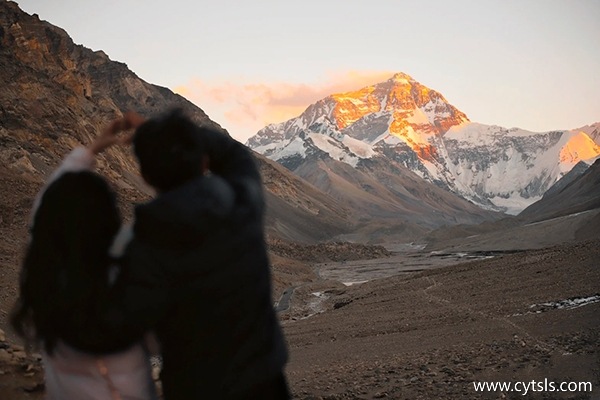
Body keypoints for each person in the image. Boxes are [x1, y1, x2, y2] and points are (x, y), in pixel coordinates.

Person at [107, 109, 290, 399]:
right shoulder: (242, 204)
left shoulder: (143, 246)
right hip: (264, 380)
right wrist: (165, 133)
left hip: (194, 387)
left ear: (145, 175)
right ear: (204, 161)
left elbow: (129, 322)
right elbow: (233, 153)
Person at [10, 116, 158, 400]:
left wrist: (89, 151)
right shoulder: (133, 284)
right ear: (111, 223)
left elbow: (47, 214)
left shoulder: (41, 283)